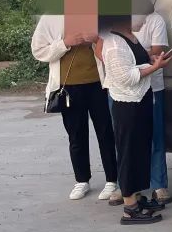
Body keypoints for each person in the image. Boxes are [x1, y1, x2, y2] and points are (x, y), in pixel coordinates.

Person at [31, 14, 119, 203]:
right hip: (68, 87)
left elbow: (116, 44)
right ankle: (82, 180)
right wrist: (65, 43)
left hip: (99, 84)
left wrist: (96, 39)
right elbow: (38, 51)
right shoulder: (51, 18)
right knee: (76, 135)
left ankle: (112, 179)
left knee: (106, 132)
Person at [99, 14, 172, 225]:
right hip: (127, 105)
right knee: (129, 153)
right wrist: (155, 68)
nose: (143, 19)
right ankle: (130, 208)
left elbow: (136, 64)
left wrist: (152, 61)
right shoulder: (114, 43)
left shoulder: (131, 38)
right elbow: (126, 77)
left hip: (141, 101)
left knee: (141, 151)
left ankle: (138, 198)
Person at [136, 11, 172, 205]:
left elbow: (157, 51)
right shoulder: (113, 17)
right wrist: (142, 57)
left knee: (155, 136)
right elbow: (102, 49)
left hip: (152, 86)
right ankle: (126, 186)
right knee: (124, 138)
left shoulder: (154, 19)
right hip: (120, 89)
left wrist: (127, 59)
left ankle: (158, 185)